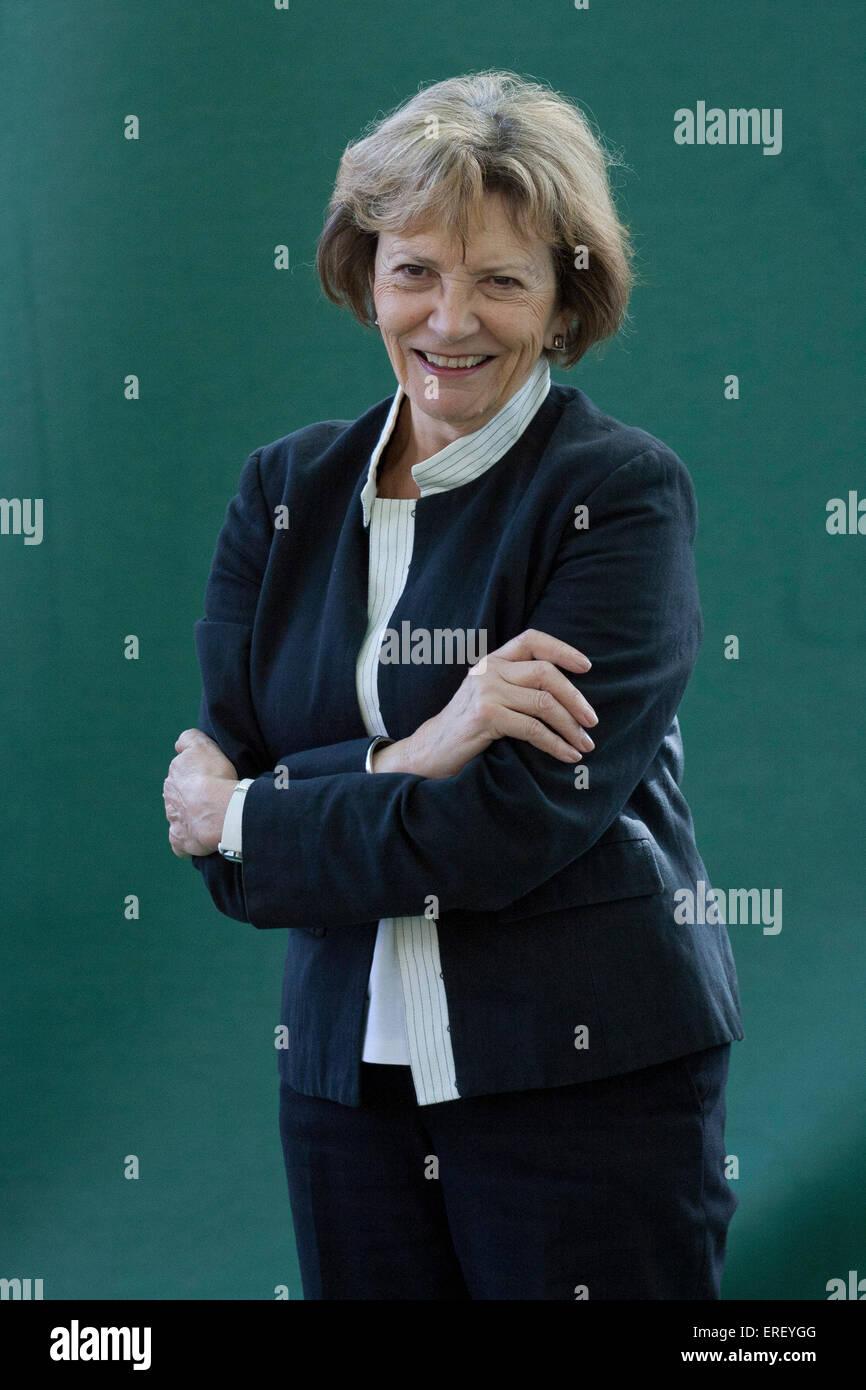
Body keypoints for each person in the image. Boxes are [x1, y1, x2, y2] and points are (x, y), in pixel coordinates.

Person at [162, 70, 744, 1300]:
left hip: (584, 1083)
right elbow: (219, 848)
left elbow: (508, 826)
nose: (449, 318)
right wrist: (428, 744)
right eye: (416, 269)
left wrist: (257, 810)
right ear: (364, 271)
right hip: (343, 1090)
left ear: (561, 296)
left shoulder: (621, 493)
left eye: (500, 278)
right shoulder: (283, 489)